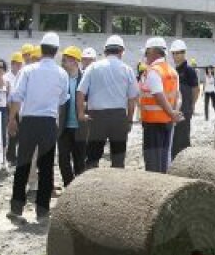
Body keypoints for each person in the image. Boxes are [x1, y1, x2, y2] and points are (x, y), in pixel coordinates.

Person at [9, 32, 68, 218]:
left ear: (41, 49)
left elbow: (17, 97)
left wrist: (11, 119)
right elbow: (62, 99)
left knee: (23, 164)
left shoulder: (28, 70)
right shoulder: (62, 73)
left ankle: (16, 208)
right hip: (49, 122)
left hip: (29, 121)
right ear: (56, 51)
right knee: (47, 167)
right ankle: (42, 210)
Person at [77, 34, 139, 169]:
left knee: (93, 157)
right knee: (118, 159)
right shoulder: (127, 69)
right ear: (121, 51)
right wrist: (129, 120)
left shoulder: (93, 68)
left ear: (105, 51)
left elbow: (80, 91)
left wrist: (81, 113)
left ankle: (90, 186)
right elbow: (132, 98)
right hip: (118, 117)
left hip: (97, 117)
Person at [138, 36, 183, 173]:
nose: (145, 57)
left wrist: (171, 113)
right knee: (163, 158)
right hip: (167, 122)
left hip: (153, 123)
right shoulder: (172, 71)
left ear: (153, 52)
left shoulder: (153, 71)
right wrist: (174, 113)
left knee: (152, 160)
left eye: (146, 53)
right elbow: (178, 96)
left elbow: (158, 95)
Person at [58, 45, 86, 185]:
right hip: (63, 127)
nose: (62, 63)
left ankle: (78, 190)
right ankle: (68, 186)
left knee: (80, 160)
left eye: (65, 60)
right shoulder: (60, 78)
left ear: (75, 61)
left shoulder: (86, 78)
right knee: (63, 159)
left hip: (81, 127)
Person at [170, 39, 199, 158]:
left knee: (183, 138)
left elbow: (196, 90)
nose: (176, 56)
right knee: (175, 138)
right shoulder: (174, 70)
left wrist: (191, 105)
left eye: (178, 53)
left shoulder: (189, 71)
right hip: (175, 109)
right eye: (174, 53)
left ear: (184, 53)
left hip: (185, 109)